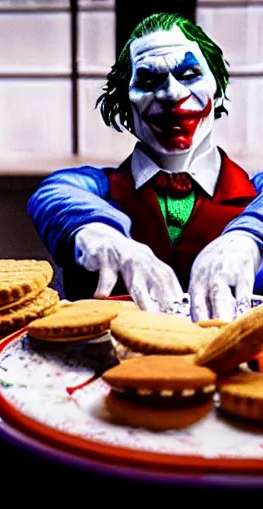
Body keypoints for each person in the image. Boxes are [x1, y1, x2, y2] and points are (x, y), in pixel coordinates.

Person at [28, 12, 263, 322]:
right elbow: (55, 192)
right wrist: (94, 230)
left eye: (190, 73)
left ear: (217, 86)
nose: (172, 95)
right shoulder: (98, 189)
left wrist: (248, 237)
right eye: (149, 81)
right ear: (125, 102)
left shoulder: (253, 192)